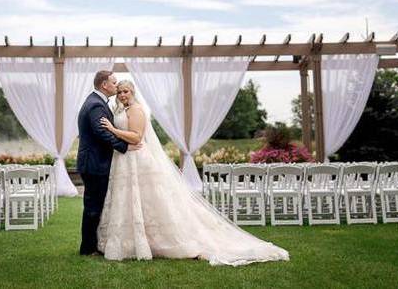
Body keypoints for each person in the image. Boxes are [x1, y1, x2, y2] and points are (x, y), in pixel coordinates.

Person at [95, 79, 290, 266]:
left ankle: (156, 241)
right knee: (130, 200)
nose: (121, 95)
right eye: (119, 92)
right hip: (124, 159)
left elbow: (137, 138)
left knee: (148, 200)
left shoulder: (136, 109)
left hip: (137, 159)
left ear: (133, 92)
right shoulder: (123, 109)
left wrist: (112, 129)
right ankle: (136, 241)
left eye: (125, 91)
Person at [76, 70, 143, 255]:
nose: (117, 86)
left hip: (95, 162)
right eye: (114, 83)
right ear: (104, 85)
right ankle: (88, 248)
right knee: (93, 206)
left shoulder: (96, 102)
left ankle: (90, 245)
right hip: (94, 163)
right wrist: (124, 147)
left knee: (94, 205)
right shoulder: (96, 105)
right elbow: (102, 133)